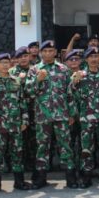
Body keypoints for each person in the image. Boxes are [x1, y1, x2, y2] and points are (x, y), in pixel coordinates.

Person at [25, 40, 75, 189]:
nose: (48, 53)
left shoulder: (63, 69)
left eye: (51, 51)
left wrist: (72, 113)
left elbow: (69, 92)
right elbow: (28, 92)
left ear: (55, 52)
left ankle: (70, 177)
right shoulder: (34, 70)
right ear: (41, 53)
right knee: (42, 146)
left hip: (62, 114)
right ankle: (41, 178)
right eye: (45, 51)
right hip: (43, 115)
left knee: (65, 145)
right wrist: (37, 80)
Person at [0, 53, 31, 193]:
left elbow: (22, 101)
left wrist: (25, 120)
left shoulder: (16, 80)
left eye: (7, 62)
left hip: (15, 124)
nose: (5, 65)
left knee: (17, 152)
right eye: (2, 63)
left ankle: (19, 181)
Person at [70, 46, 99, 188]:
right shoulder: (80, 75)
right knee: (86, 149)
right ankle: (86, 177)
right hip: (86, 118)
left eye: (96, 56)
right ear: (86, 59)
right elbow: (71, 96)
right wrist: (74, 83)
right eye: (91, 57)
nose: (94, 59)